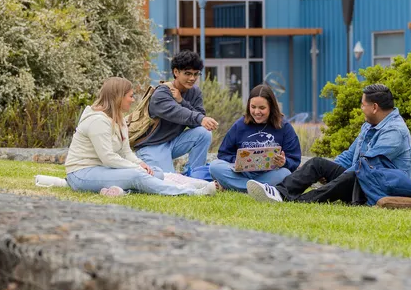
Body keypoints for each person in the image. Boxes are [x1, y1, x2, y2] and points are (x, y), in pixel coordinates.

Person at [246, 83, 411, 204]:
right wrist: (329, 171)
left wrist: (339, 178)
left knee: (351, 175)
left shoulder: (394, 132)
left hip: (379, 188)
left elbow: (368, 167)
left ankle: (299, 201)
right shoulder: (369, 126)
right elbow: (350, 155)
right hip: (361, 178)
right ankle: (279, 192)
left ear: (374, 107)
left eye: (363, 105)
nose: (361, 108)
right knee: (318, 163)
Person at [65, 77, 216, 196]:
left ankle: (193, 182)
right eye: (130, 96)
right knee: (137, 175)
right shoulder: (97, 121)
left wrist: (140, 163)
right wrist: (137, 167)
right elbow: (108, 158)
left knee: (154, 171)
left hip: (102, 169)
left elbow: (125, 152)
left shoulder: (120, 120)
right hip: (81, 174)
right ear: (118, 97)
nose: (132, 100)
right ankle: (190, 192)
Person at [134, 51, 218, 177]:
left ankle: (195, 176)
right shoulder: (162, 93)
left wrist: (182, 101)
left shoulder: (194, 92)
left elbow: (197, 122)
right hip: (152, 146)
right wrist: (200, 118)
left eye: (196, 74)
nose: (192, 78)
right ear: (176, 72)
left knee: (204, 132)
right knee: (168, 180)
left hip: (173, 143)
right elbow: (177, 113)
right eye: (187, 73)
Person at [209, 84, 302, 192]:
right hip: (241, 174)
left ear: (271, 107)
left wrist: (284, 162)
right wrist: (238, 161)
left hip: (269, 174)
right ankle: (258, 189)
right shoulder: (240, 125)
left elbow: (294, 159)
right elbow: (223, 154)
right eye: (253, 107)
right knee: (214, 166)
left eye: (262, 108)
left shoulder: (284, 127)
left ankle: (239, 187)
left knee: (285, 174)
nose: (257, 112)